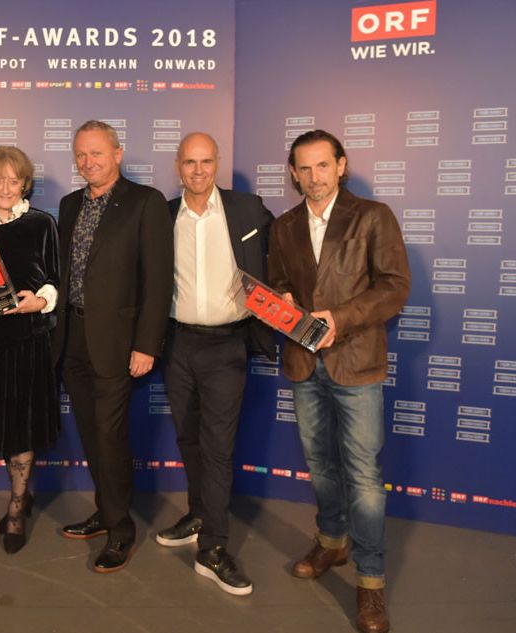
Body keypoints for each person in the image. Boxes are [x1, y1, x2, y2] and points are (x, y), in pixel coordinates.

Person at [268, 130, 410, 633]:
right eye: (304, 168)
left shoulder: (373, 216)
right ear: (293, 173)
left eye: (323, 165)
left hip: (357, 361)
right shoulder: (284, 225)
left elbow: (395, 287)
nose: (314, 177)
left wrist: (341, 318)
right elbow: (280, 280)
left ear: (341, 165)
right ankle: (332, 542)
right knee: (321, 465)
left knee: (364, 477)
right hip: (304, 362)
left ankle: (370, 582)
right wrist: (283, 299)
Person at [156, 132, 275, 595]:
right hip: (177, 344)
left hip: (227, 346)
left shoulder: (247, 209)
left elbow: (282, 255)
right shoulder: (164, 215)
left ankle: (214, 548)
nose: (198, 170)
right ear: (178, 166)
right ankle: (200, 513)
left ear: (218, 163)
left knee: (218, 448)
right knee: (189, 438)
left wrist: (285, 294)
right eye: (190, 162)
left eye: (206, 161)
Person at [54, 120, 174, 572]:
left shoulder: (145, 202)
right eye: (81, 155)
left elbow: (158, 280)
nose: (88, 162)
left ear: (118, 154)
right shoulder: (69, 205)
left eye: (97, 153)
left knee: (110, 436)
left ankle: (121, 529)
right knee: (90, 433)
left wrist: (146, 344)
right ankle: (105, 512)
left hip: (119, 344)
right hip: (73, 338)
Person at [0, 146, 60, 554]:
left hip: (29, 341)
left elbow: (57, 279)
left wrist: (39, 301)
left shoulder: (42, 224)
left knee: (23, 425)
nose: (6, 188)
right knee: (3, 425)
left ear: (25, 183)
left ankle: (17, 507)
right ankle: (20, 493)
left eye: (14, 180)